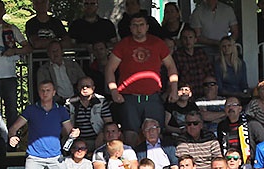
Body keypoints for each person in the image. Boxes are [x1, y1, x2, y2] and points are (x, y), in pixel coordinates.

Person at [106, 13, 178, 145]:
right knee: (130, 134)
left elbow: (171, 66)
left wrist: (174, 89)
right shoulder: (123, 45)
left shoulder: (157, 43)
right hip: (129, 98)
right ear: (130, 27)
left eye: (141, 25)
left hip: (152, 97)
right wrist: (114, 91)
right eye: (135, 25)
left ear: (147, 27)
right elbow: (110, 69)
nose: (138, 28)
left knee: (155, 132)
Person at [67, 77, 113, 153]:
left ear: (93, 88)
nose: (85, 88)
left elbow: (108, 123)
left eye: (88, 86)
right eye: (82, 86)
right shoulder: (70, 103)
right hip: (77, 141)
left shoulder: (101, 101)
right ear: (78, 88)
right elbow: (65, 126)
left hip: (97, 138)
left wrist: (101, 135)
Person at [173, 27, 213, 96]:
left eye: (190, 37)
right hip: (185, 94)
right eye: (185, 38)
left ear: (195, 40)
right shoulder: (177, 55)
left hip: (203, 91)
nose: (188, 40)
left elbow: (209, 73)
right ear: (181, 40)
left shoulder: (201, 53)